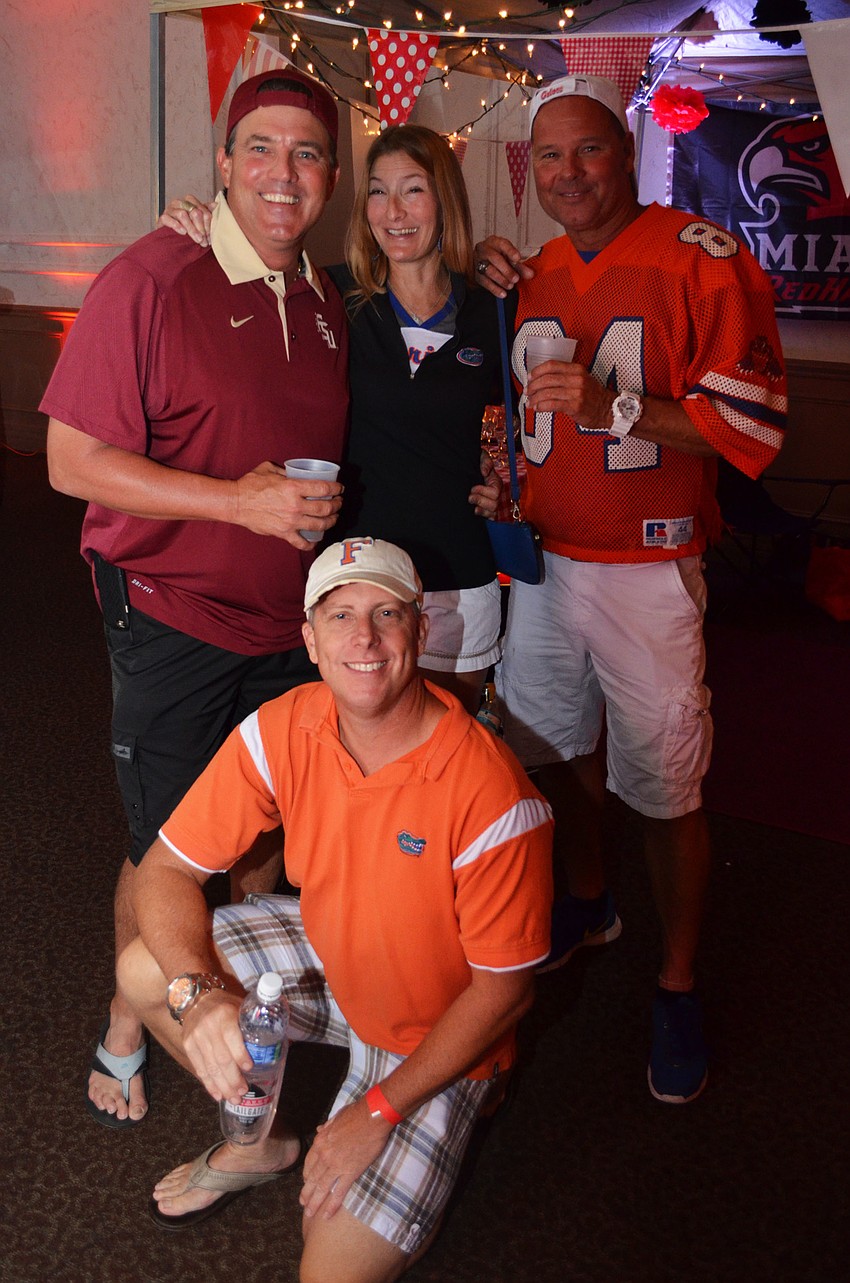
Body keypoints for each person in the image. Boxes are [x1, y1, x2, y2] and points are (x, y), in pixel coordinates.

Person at [40, 69, 350, 1129]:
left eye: (306, 153)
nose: (281, 173)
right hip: (170, 615)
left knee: (258, 837)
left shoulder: (321, 302)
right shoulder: (151, 275)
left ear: (331, 179)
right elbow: (70, 460)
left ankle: (243, 1006)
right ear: (222, 165)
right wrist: (239, 505)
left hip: (282, 623)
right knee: (166, 847)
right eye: (258, 148)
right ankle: (128, 1022)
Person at [117, 536, 553, 1282]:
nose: (365, 637)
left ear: (421, 630)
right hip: (328, 953)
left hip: (431, 1031)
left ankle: (463, 1098)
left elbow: (505, 989)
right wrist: (200, 996)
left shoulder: (493, 794)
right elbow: (163, 871)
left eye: (388, 613)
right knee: (146, 969)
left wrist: (375, 1112)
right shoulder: (283, 725)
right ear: (311, 640)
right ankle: (265, 1144)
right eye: (341, 614)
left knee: (329, 1276)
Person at [474, 75, 787, 1103]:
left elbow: (751, 428)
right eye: (549, 157)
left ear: (627, 151)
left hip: (649, 570)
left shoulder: (702, 257)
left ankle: (677, 980)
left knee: (665, 784)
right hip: (545, 563)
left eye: (588, 151)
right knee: (554, 753)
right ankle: (589, 897)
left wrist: (622, 407)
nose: (568, 173)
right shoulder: (534, 272)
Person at [161, 125, 510, 716]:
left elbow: (523, 421)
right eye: (377, 192)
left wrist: (503, 475)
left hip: (457, 568)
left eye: (413, 191)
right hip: (356, 570)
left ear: (445, 202)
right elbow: (243, 267)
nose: (393, 212)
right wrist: (193, 222)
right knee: (358, 745)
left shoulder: (491, 310)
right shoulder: (329, 294)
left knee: (447, 747)